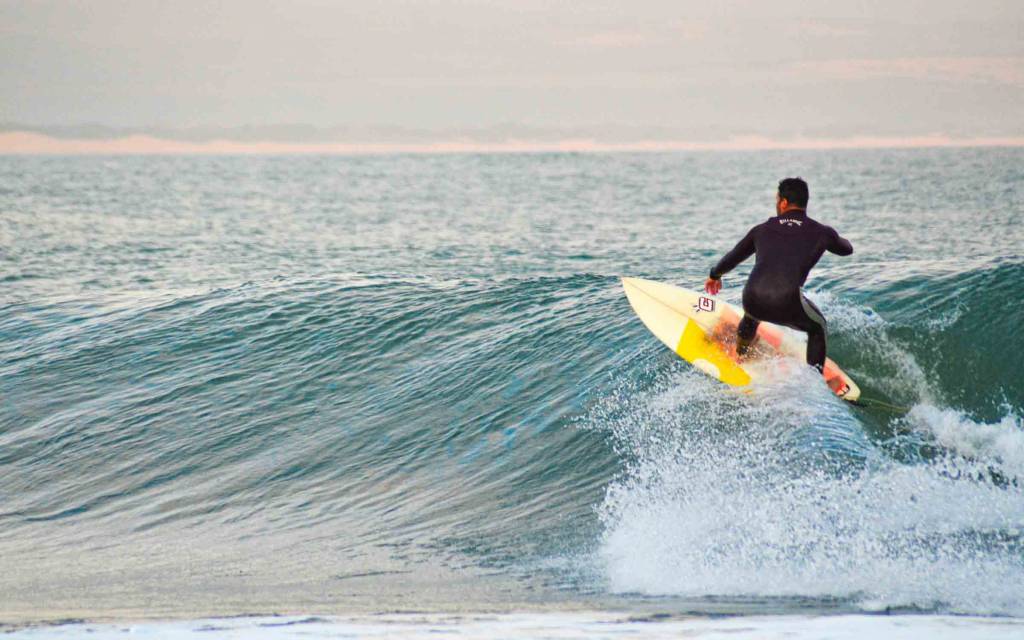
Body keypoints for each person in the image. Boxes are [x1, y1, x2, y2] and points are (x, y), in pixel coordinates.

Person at [703, 177, 853, 393]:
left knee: (751, 316)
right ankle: (814, 385)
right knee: (817, 327)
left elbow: (732, 258)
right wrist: (833, 238)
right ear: (804, 202)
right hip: (787, 302)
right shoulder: (822, 232)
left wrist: (714, 275)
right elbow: (846, 249)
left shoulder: (761, 229)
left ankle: (741, 353)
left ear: (783, 202)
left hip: (753, 297)